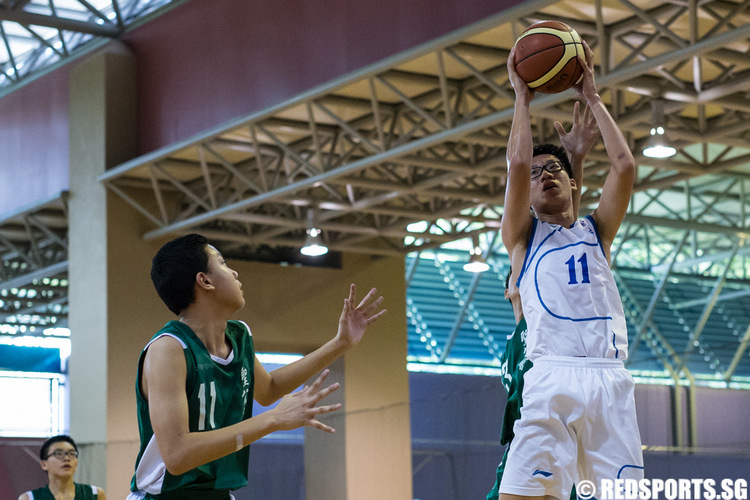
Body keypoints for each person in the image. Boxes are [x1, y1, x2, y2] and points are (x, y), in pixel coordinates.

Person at [127, 233, 386, 499]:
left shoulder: (239, 337)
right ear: (204, 281)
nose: (235, 272)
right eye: (223, 263)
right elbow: (177, 455)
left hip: (216, 493)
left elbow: (269, 389)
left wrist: (340, 343)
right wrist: (273, 419)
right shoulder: (168, 349)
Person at [498, 39, 644, 500]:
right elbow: (518, 163)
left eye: (555, 168)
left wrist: (594, 98)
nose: (544, 174)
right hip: (552, 377)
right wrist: (523, 98)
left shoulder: (595, 232)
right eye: (538, 173)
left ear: (573, 181)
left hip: (610, 377)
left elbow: (624, 166)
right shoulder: (523, 238)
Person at [487, 103, 598, 500]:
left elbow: (568, 231)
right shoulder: (520, 336)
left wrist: (576, 161)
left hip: (564, 430)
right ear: (509, 288)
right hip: (537, 435)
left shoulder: (549, 317)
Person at [19, 435, 106, 500]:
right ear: (44, 464)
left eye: (71, 454)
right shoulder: (29, 498)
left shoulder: (95, 494)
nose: (67, 458)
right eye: (59, 454)